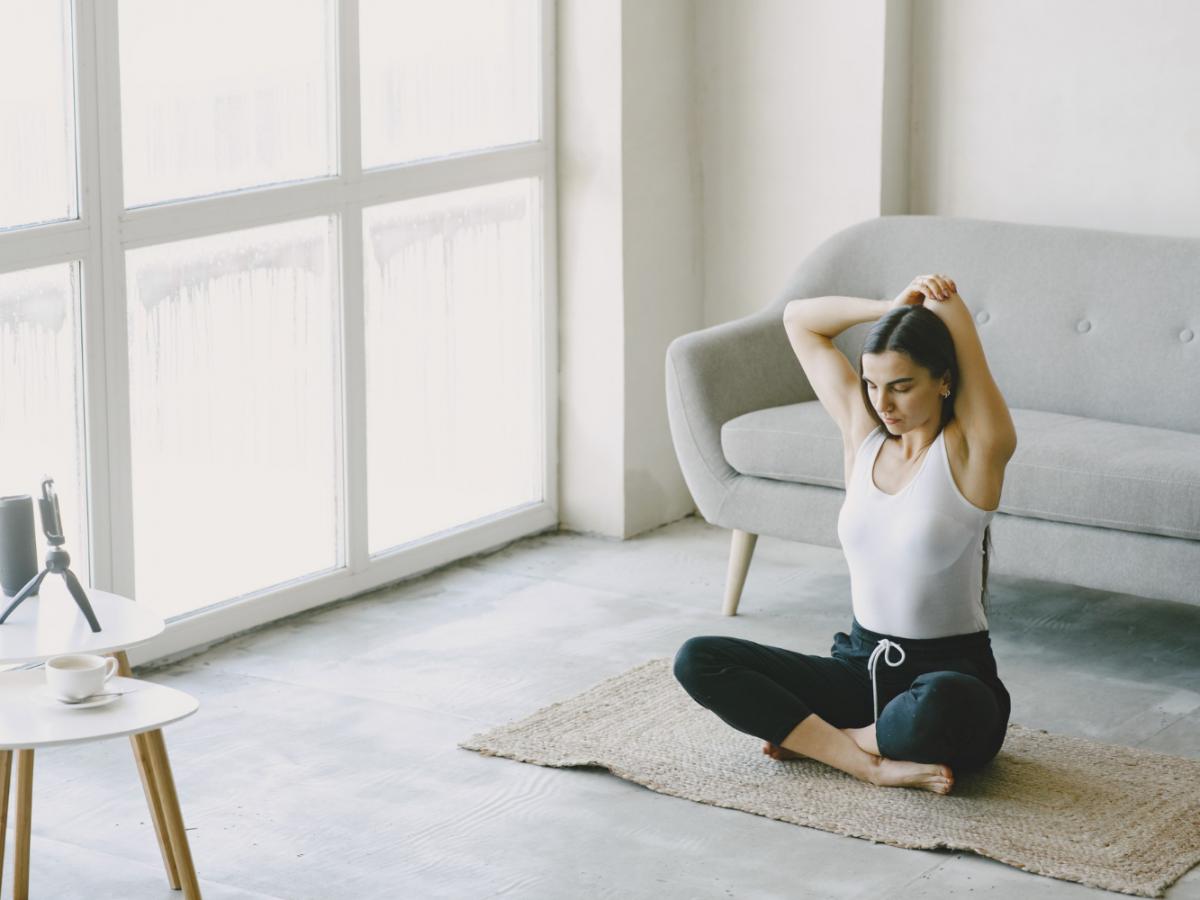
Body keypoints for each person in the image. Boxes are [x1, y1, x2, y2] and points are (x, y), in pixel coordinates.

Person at [673, 274, 1019, 795]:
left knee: (947, 704)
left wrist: (941, 301)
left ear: (944, 381)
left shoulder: (975, 451)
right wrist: (888, 306)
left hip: (948, 675)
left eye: (902, 386)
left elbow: (960, 334)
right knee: (698, 658)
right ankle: (867, 762)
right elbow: (799, 321)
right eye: (872, 385)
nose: (884, 403)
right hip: (860, 669)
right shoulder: (863, 437)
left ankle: (828, 740)